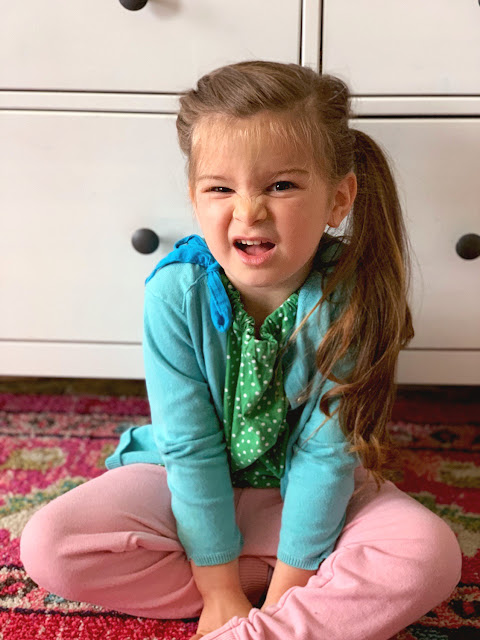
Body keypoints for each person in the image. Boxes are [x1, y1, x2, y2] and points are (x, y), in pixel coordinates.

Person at [20, 61, 462, 640]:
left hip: (311, 498)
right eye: (221, 189)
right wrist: (218, 587)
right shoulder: (175, 291)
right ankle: (281, 595)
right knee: (50, 544)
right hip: (185, 486)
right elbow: (189, 445)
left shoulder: (354, 296)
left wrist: (286, 591)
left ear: (338, 199)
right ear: (194, 199)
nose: (248, 211)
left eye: (281, 186)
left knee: (430, 556)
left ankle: (264, 612)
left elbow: (326, 456)